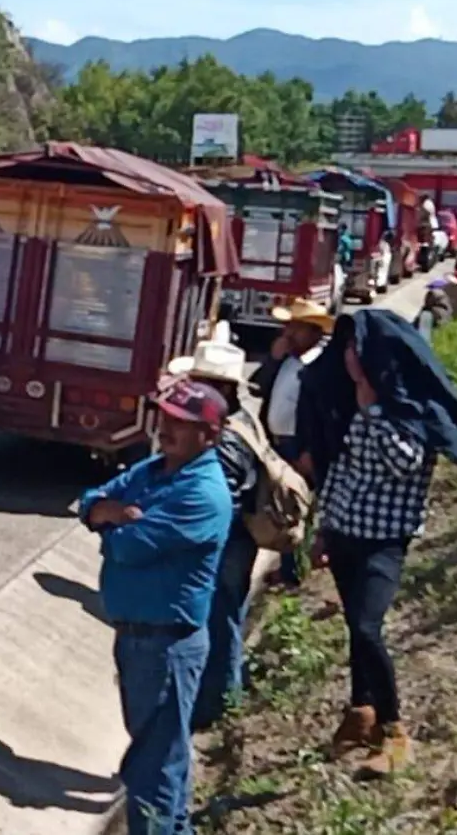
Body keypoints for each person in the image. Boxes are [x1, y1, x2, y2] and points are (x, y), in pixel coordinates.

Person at [305, 310, 457, 778]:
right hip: (344, 535)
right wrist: (323, 530)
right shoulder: (351, 404)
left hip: (382, 541)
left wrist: (371, 408)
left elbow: (402, 462)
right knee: (354, 627)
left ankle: (395, 729)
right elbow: (339, 473)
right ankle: (362, 711)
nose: (346, 358)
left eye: (354, 349)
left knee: (367, 627)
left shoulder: (411, 411)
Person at [78, 379, 234, 835]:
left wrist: (112, 521)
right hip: (139, 639)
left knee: (154, 767)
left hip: (166, 646)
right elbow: (90, 502)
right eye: (165, 418)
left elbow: (127, 547)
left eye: (180, 424)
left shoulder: (202, 494)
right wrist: (107, 513)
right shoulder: (155, 468)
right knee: (159, 757)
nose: (166, 429)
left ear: (209, 435)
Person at [165, 324, 264, 731]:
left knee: (218, 620)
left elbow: (215, 503)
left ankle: (217, 704)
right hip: (238, 538)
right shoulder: (242, 421)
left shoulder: (223, 439)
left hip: (228, 541)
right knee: (225, 617)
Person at [252, 297, 331, 589]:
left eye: (295, 328)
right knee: (280, 507)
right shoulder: (287, 359)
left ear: (314, 332)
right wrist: (273, 359)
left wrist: (311, 450)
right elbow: (258, 387)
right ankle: (288, 568)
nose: (288, 333)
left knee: (299, 509)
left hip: (300, 445)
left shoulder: (320, 367)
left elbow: (324, 414)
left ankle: (295, 571)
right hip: (277, 443)